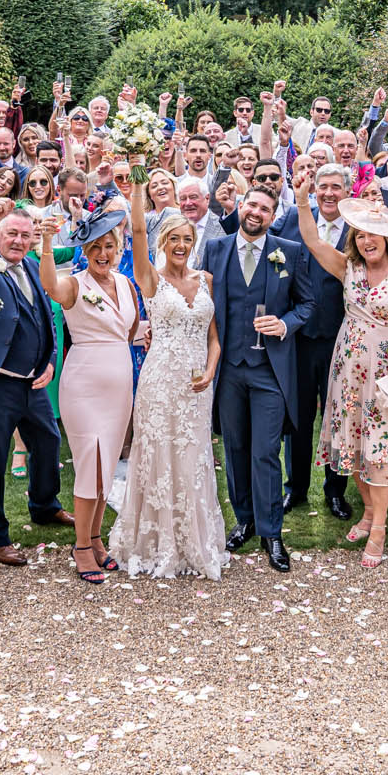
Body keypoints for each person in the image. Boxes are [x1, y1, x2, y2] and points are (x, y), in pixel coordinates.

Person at [291, 188, 388, 567]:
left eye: (373, 234)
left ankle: (379, 527)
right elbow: (313, 240)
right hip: (347, 370)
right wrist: (302, 200)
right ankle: (367, 511)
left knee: (380, 450)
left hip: (387, 372)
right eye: (360, 235)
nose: (367, 241)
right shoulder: (349, 268)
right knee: (354, 447)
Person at [200, 186, 313, 572]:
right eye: (252, 205)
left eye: (265, 209)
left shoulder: (290, 252)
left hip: (270, 371)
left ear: (271, 215)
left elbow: (308, 304)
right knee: (235, 447)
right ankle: (244, 520)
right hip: (229, 367)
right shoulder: (215, 249)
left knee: (266, 451)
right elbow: (202, 301)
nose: (256, 213)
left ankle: (272, 532)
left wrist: (284, 323)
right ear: (241, 206)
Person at [112, 200, 227, 579]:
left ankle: (194, 540)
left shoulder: (205, 279)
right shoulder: (150, 278)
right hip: (159, 381)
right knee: (158, 454)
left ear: (193, 242)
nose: (180, 244)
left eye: (186, 239)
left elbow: (215, 339)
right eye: (174, 238)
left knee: (193, 457)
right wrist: (140, 186)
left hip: (196, 385)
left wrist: (210, 373)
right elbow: (139, 232)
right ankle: (156, 542)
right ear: (164, 241)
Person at [0, 208, 71, 567]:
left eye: (25, 235)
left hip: (33, 381)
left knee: (48, 441)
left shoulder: (35, 267)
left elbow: (47, 319)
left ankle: (44, 505)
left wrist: (50, 360)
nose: (19, 241)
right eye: (11, 234)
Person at [37, 208, 142, 585]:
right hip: (84, 385)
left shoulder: (127, 284)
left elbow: (130, 332)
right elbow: (50, 285)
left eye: (109, 246)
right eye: (95, 246)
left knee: (106, 466)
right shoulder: (74, 284)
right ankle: (81, 546)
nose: (103, 253)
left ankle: (96, 538)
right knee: (90, 465)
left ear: (119, 249)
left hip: (119, 386)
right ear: (85, 250)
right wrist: (47, 242)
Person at [271, 163, 355, 522]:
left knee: (339, 418)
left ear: (347, 191)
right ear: (314, 189)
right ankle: (297, 488)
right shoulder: (291, 220)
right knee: (299, 417)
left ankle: (336, 491)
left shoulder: (357, 228)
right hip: (301, 339)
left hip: (343, 339)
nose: (330, 193)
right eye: (324, 187)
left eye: (337, 187)